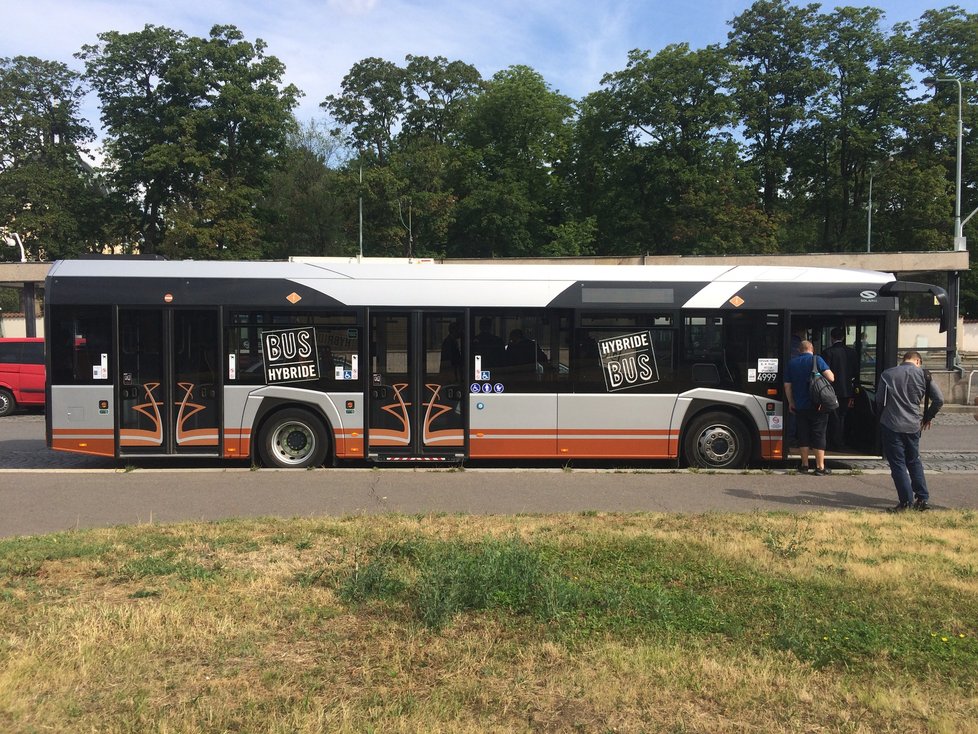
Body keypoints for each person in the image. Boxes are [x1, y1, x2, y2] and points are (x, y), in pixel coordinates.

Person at [875, 351, 943, 512]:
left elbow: (879, 400)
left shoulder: (888, 374)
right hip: (913, 424)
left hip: (891, 423)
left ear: (903, 360)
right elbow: (939, 399)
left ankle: (906, 501)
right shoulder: (924, 375)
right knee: (914, 460)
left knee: (898, 463)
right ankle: (922, 498)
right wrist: (927, 417)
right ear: (918, 361)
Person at [784, 340, 835, 475]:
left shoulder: (792, 363)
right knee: (819, 434)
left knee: (803, 435)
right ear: (811, 349)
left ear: (800, 350)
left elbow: (787, 386)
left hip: (800, 405)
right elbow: (831, 378)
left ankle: (804, 465)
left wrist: (791, 402)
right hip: (818, 405)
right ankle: (820, 467)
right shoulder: (817, 359)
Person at [821, 327, 858, 450]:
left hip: (831, 390)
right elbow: (855, 371)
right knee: (843, 415)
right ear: (843, 337)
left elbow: (824, 373)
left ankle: (833, 441)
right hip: (847, 390)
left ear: (831, 338)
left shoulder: (828, 352)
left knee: (832, 416)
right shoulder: (852, 352)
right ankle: (842, 440)